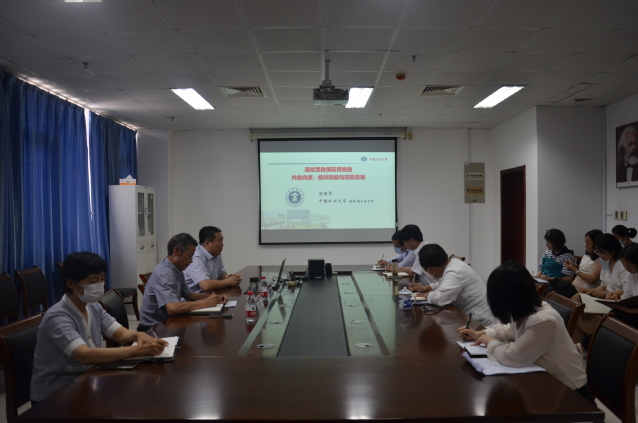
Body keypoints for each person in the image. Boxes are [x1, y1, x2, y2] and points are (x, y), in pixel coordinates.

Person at [31, 252, 168, 403]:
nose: (100, 285)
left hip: (86, 380)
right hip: (55, 394)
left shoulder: (93, 306)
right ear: (71, 284)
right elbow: (85, 355)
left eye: (102, 279)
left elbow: (120, 334)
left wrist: (138, 336)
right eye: (93, 281)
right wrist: (137, 351)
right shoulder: (57, 316)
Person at [459, 261, 593, 402]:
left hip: (571, 394)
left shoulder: (544, 320)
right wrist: (481, 334)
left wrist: (489, 342)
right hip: (546, 385)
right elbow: (508, 331)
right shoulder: (524, 310)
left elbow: (513, 356)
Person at [139, 233, 227, 329]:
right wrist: (205, 303)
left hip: (168, 322)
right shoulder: (164, 273)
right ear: (176, 251)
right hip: (152, 328)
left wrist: (214, 298)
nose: (191, 261)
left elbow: (189, 295)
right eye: (189, 256)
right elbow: (172, 308)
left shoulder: (176, 268)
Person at [409, 244, 495, 327]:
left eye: (425, 270)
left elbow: (441, 298)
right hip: (470, 317)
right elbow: (443, 282)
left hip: (481, 324)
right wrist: (425, 288)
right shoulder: (452, 263)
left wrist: (427, 295)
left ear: (431, 269)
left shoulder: (455, 272)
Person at [184, 226, 242, 293]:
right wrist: (229, 281)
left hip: (208, 295)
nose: (222, 244)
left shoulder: (216, 253)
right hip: (192, 298)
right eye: (219, 241)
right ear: (207, 243)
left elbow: (220, 273)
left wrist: (229, 277)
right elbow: (206, 285)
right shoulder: (195, 257)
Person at [579, 233, 628, 300]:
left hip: (619, 299)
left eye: (602, 253)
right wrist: (591, 291)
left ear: (613, 251)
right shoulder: (605, 261)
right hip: (607, 298)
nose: (600, 255)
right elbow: (603, 285)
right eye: (597, 252)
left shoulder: (623, 264)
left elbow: (627, 290)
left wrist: (604, 293)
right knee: (579, 297)